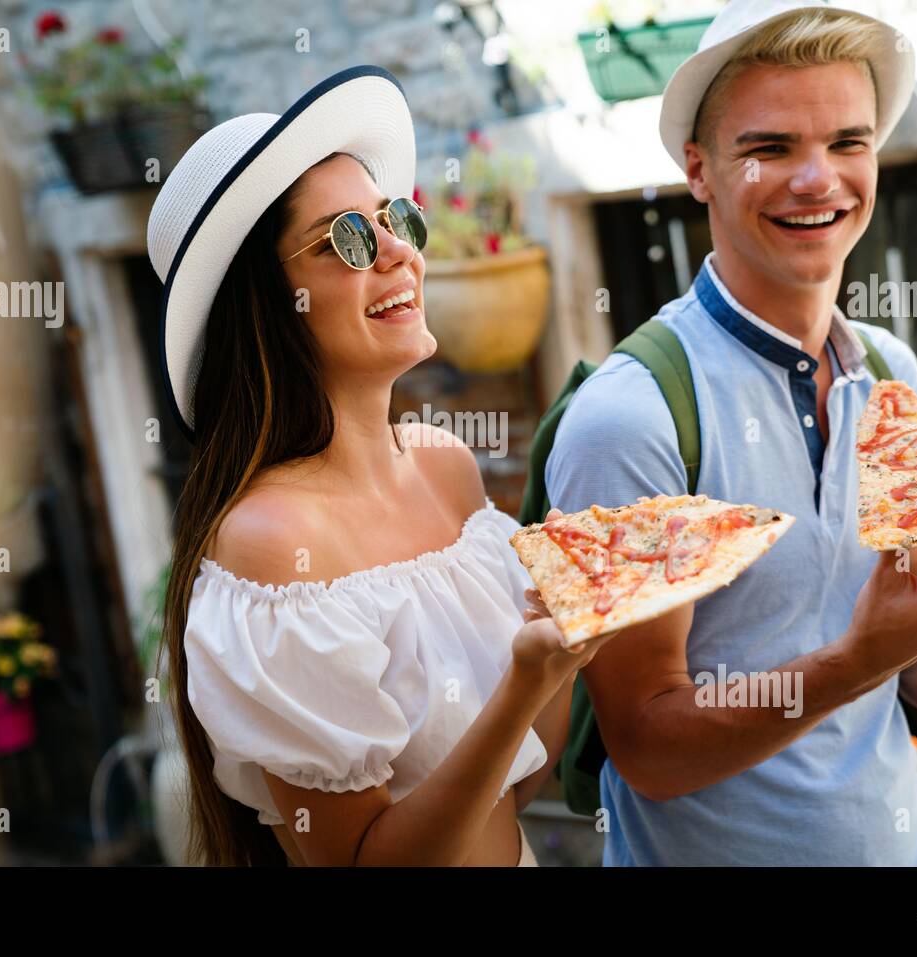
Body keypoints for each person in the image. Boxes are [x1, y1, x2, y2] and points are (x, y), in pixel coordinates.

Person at [545, 0, 917, 865]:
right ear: (699, 169)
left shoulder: (893, 378)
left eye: (848, 143)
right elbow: (648, 749)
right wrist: (852, 658)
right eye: (770, 148)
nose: (818, 179)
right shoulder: (634, 415)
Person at [148, 66, 615, 867]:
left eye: (395, 219)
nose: (400, 251)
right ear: (266, 302)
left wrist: (565, 646)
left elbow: (510, 790)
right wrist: (521, 685)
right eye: (348, 238)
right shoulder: (269, 542)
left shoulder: (447, 469)